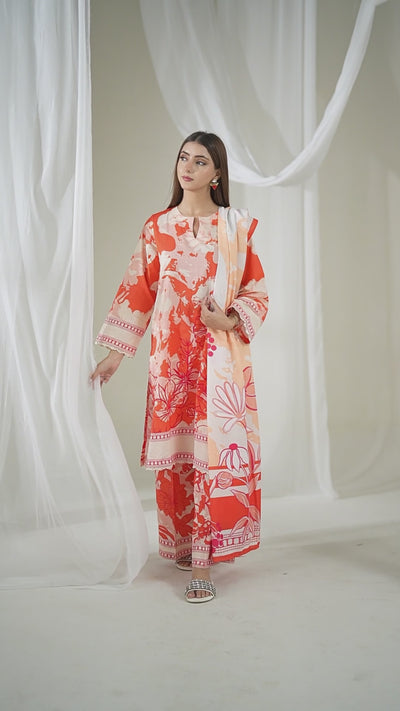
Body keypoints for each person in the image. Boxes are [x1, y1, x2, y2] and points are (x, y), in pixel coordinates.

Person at [90, 131, 268, 603]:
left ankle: (204, 564)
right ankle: (188, 546)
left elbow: (257, 293)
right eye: (183, 158)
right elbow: (138, 291)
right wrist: (115, 355)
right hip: (170, 365)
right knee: (180, 459)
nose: (187, 167)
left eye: (200, 161)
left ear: (217, 174)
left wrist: (227, 320)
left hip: (219, 364)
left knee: (212, 457)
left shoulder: (235, 228)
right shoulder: (158, 227)